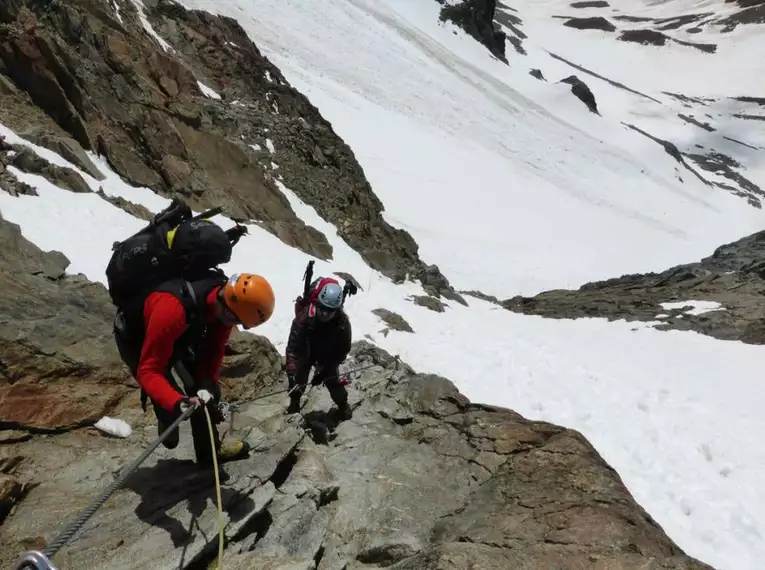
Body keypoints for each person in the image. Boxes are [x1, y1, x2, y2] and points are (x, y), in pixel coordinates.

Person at [115, 271, 275, 467]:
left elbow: (214, 347)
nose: (232, 326)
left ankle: (210, 457)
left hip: (182, 331)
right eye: (235, 321)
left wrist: (208, 381)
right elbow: (149, 370)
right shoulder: (171, 309)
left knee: (205, 395)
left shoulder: (225, 302)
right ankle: (166, 416)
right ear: (228, 311)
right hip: (138, 339)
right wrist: (177, 402)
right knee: (170, 403)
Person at [285, 278, 353, 419]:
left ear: (336, 310)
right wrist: (291, 372)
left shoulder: (342, 325)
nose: (324, 313)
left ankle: (343, 406)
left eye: (329, 310)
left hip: (327, 355)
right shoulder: (304, 318)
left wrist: (323, 372)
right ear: (317, 303)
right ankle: (295, 402)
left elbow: (342, 351)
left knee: (332, 380)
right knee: (298, 379)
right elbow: (293, 347)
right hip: (306, 350)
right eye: (322, 308)